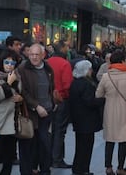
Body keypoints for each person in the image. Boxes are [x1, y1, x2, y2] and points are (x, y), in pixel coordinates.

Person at [95, 50, 126, 175]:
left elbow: (98, 94)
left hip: (109, 111)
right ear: (123, 61)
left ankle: (108, 167)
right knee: (124, 140)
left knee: (109, 140)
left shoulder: (106, 76)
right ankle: (120, 167)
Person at [18, 44, 55, 175]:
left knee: (45, 143)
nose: (34, 57)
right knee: (28, 145)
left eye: (36, 54)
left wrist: (52, 103)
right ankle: (28, 171)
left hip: (47, 112)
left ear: (43, 55)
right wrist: (36, 106)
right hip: (30, 114)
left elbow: (51, 87)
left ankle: (45, 170)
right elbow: (23, 91)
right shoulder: (23, 69)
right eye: (31, 54)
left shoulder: (48, 68)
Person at [69, 60, 105, 175]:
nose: (91, 71)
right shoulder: (86, 84)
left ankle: (77, 167)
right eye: (89, 69)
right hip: (87, 119)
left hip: (78, 119)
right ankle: (83, 169)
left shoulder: (75, 83)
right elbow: (90, 101)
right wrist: (102, 100)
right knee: (86, 146)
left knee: (80, 145)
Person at [0, 49, 23, 175]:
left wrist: (20, 98)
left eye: (12, 63)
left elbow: (21, 93)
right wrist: (8, 83)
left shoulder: (16, 77)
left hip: (12, 123)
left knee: (9, 158)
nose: (9, 65)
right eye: (6, 62)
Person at [48, 40, 73, 168]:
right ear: (62, 48)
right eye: (67, 47)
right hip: (61, 99)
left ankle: (49, 157)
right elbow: (67, 85)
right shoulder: (65, 64)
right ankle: (57, 159)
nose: (68, 49)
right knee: (60, 130)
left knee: (49, 130)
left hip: (47, 99)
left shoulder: (47, 62)